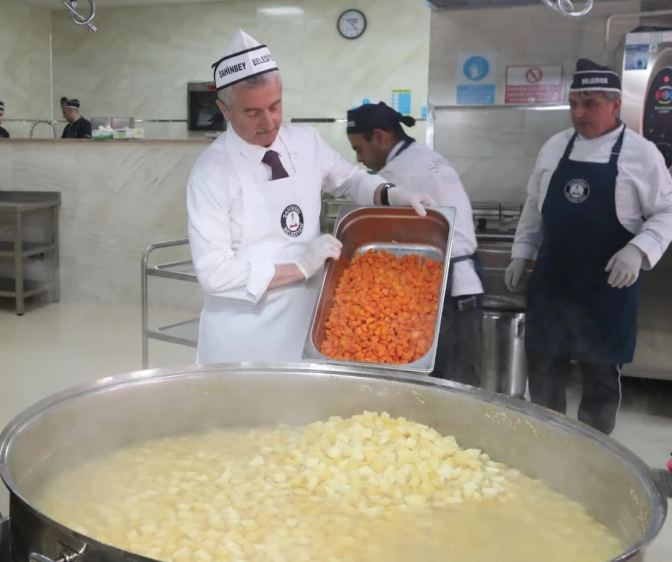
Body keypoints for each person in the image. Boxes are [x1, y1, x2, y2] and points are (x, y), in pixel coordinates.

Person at [187, 30, 433, 364]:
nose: (269, 122)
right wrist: (300, 267)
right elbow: (214, 273)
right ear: (224, 109)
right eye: (252, 112)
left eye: (275, 106)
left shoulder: (305, 141)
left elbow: (350, 180)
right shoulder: (210, 173)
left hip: (308, 322)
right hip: (243, 337)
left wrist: (389, 194)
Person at [505, 58, 672, 435]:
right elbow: (534, 204)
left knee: (599, 378)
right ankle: (545, 442)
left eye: (590, 104)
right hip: (553, 285)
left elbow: (666, 211)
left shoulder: (642, 153)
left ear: (615, 105)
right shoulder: (554, 147)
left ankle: (594, 450)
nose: (579, 113)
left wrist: (638, 250)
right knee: (543, 369)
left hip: (607, 291)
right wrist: (521, 251)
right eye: (574, 103)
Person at [346, 102, 484, 386]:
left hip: (446, 288)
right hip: (466, 284)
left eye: (359, 149)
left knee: (438, 384)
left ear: (380, 136)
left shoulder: (396, 175)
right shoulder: (426, 157)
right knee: (461, 382)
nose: (359, 159)